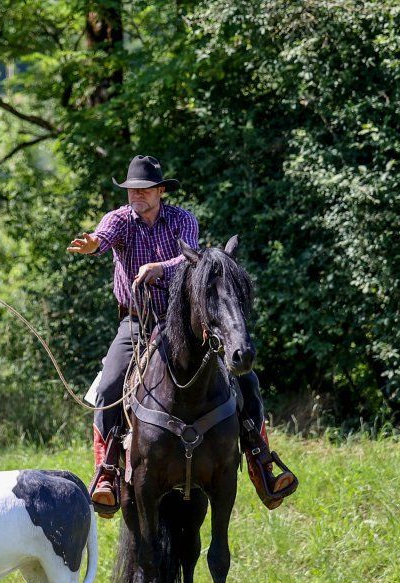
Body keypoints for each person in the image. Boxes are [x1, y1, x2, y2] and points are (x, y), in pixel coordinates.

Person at [66, 155, 298, 517]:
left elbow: (192, 257)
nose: (136, 196)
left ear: (160, 191)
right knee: (110, 386)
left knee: (247, 381)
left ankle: (261, 463)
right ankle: (107, 472)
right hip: (136, 323)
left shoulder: (182, 220)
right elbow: (103, 236)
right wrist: (92, 244)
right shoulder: (119, 221)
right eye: (131, 191)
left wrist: (161, 267)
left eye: (143, 190)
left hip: (184, 324)